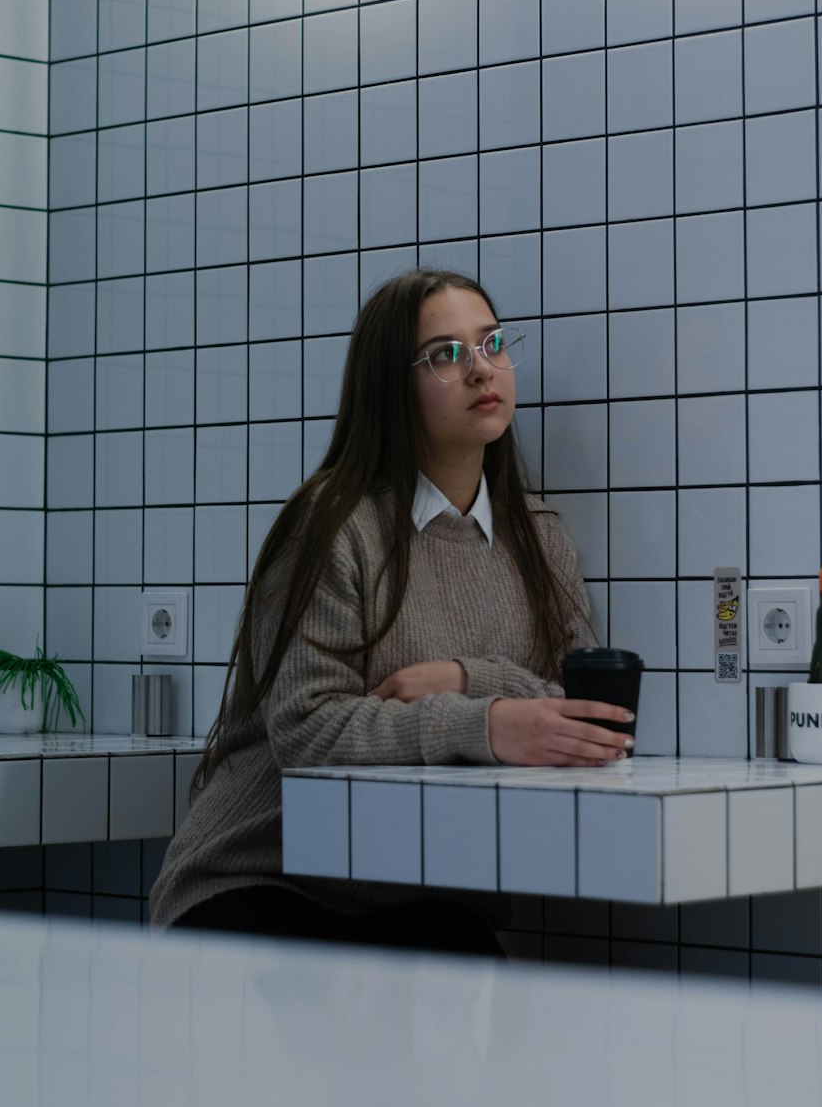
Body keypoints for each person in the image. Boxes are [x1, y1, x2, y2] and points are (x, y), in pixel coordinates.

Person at [149, 268, 636, 954]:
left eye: (492, 343)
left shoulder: (540, 536)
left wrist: (466, 680)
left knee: (466, 951)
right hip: (259, 878)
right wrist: (487, 724)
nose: (480, 369)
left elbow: (579, 705)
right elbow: (306, 729)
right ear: (391, 388)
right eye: (445, 355)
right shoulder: (334, 526)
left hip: (416, 893)